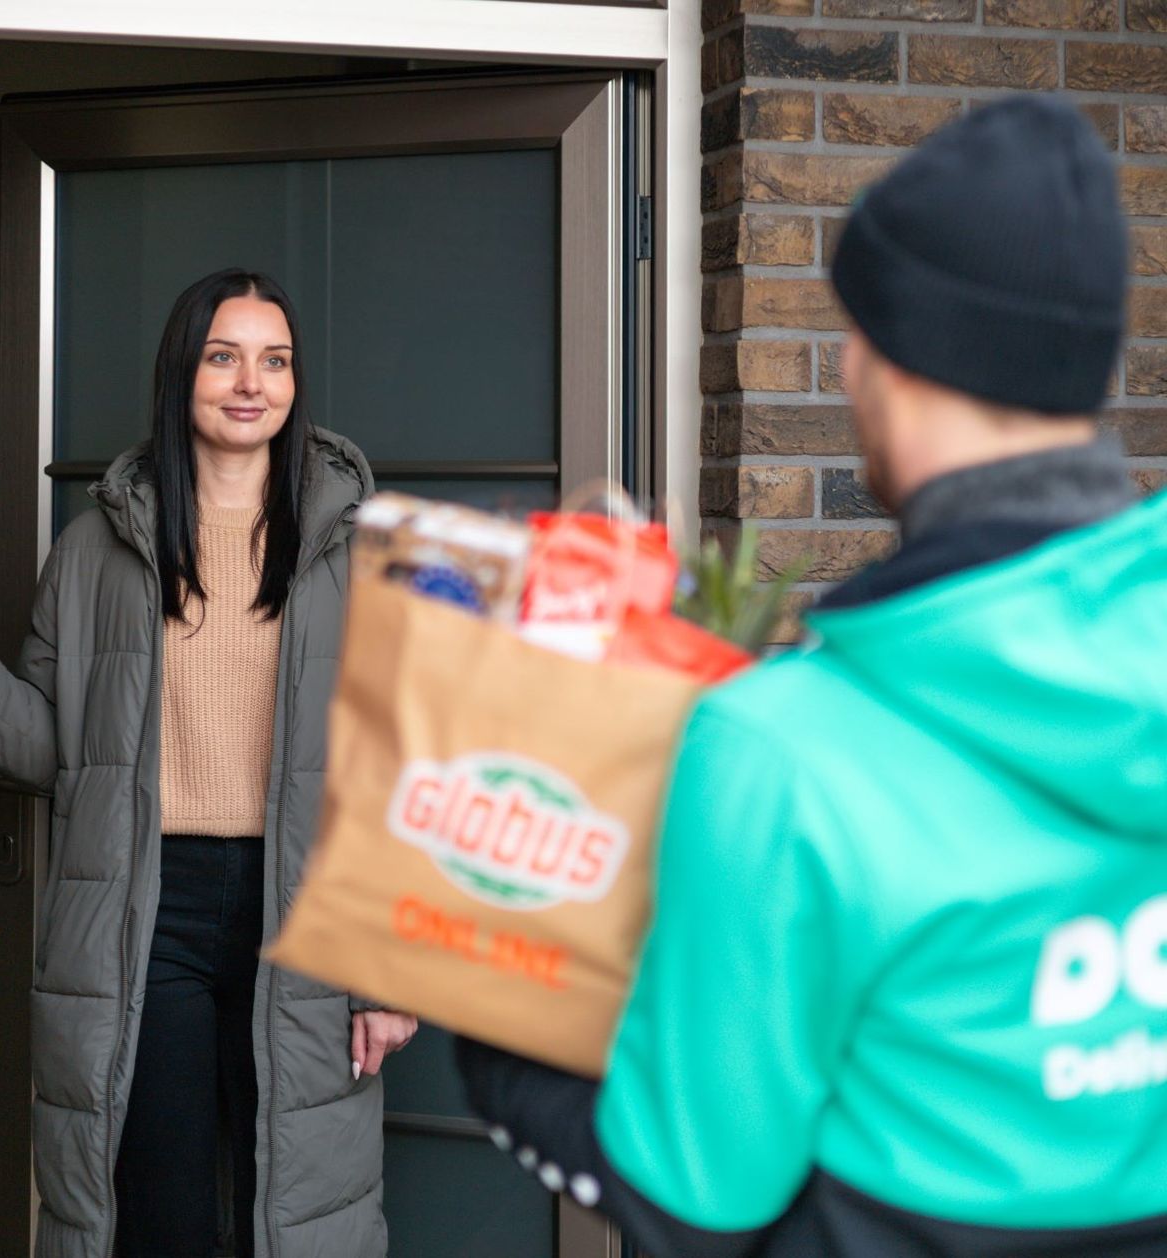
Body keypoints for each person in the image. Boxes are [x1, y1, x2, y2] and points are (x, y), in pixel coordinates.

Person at [458, 96, 1167, 1255]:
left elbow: (692, 1196)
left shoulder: (785, 750)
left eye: (853, 329)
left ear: (896, 356)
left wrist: (489, 1016)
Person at [0, 268, 415, 1257]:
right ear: (184, 373)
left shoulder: (360, 554)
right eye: (224, 356)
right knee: (156, 1212)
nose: (251, 381)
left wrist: (392, 969)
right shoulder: (93, 553)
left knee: (292, 1214)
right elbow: (53, 747)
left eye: (275, 359)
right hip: (143, 910)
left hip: (306, 910)